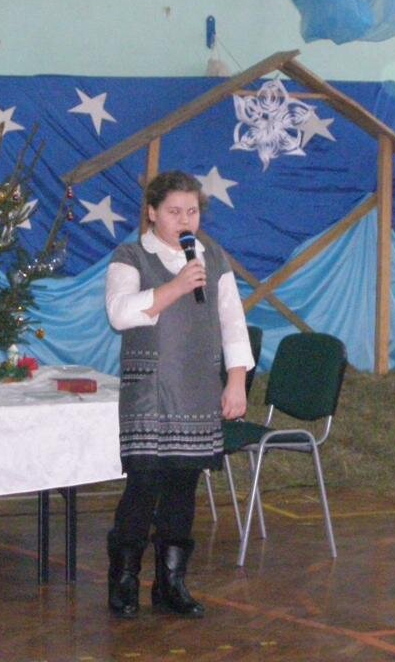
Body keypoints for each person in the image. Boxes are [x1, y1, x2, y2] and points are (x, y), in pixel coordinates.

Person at [104, 170, 254, 619]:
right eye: (174, 212)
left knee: (182, 488)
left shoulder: (213, 257)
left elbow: (232, 322)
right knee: (144, 484)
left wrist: (236, 380)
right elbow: (119, 314)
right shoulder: (130, 256)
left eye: (192, 211)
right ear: (152, 213)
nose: (185, 220)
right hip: (149, 393)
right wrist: (175, 286)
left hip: (196, 390)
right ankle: (124, 580)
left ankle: (171, 583)